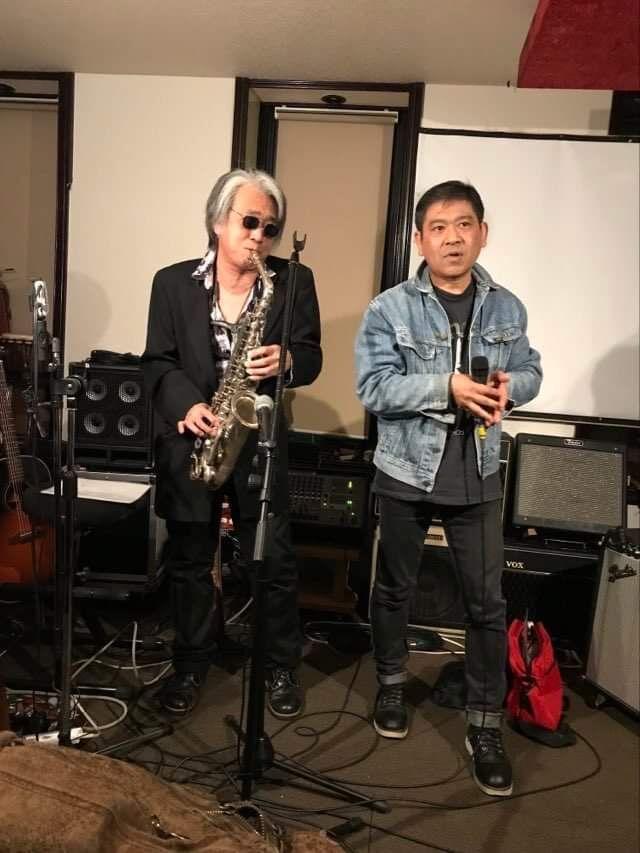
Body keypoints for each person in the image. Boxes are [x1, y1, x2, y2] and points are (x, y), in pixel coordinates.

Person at [355, 180, 542, 797]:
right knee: (394, 588)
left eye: (464, 225)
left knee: (486, 605)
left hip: (479, 474)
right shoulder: (388, 309)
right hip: (405, 470)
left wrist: (515, 386)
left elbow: (532, 369)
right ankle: (390, 685)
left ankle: (484, 725)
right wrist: (447, 388)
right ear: (420, 239)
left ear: (482, 234)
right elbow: (374, 388)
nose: (452, 238)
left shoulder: (508, 307)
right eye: (438, 227)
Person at [142, 168, 322, 718]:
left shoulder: (293, 281)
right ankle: (191, 663)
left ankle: (279, 665)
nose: (259, 237)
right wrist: (186, 405)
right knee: (190, 561)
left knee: (274, 561)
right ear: (218, 221)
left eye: (270, 228)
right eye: (249, 222)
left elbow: (311, 356)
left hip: (259, 440)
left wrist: (288, 361)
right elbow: (158, 362)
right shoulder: (172, 283)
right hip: (194, 439)